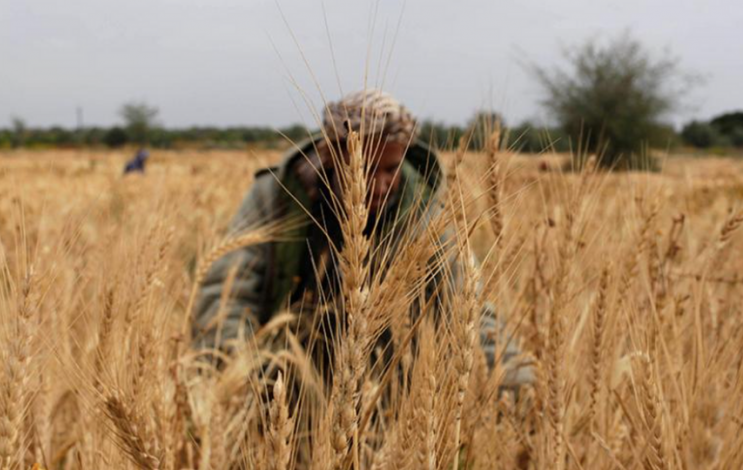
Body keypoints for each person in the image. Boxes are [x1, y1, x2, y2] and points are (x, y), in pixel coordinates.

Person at [192, 89, 532, 390]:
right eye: (365, 169)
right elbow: (228, 291)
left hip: (376, 391)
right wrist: (245, 373)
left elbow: (466, 304)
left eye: (391, 169)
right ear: (330, 156)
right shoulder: (277, 195)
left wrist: (514, 379)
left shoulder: (422, 213)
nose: (380, 185)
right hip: (281, 380)